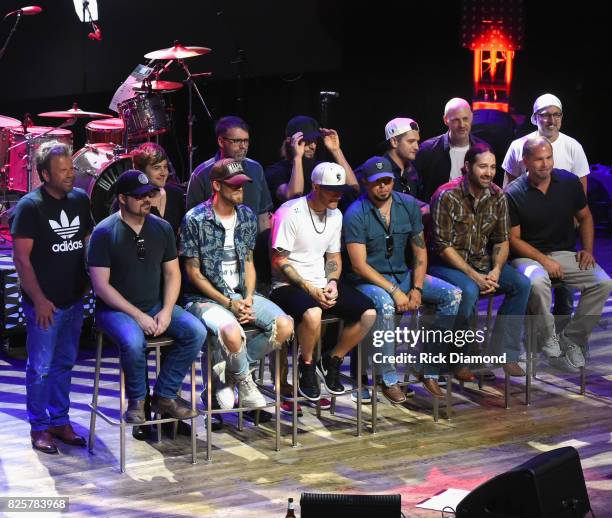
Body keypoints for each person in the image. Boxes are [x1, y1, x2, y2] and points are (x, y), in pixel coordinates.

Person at [88, 170, 205, 424]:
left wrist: (166, 310)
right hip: (115, 310)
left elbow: (173, 275)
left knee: (196, 331)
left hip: (155, 304)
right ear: (122, 198)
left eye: (149, 195)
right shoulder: (104, 232)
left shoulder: (161, 228)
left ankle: (164, 395)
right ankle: (137, 400)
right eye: (139, 196)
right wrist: (138, 315)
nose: (147, 200)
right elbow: (101, 287)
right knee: (133, 342)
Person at [344, 156, 463, 400]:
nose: (383, 187)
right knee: (386, 304)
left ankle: (428, 368)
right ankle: (387, 378)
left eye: (387, 181)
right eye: (377, 182)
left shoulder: (407, 205)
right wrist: (395, 291)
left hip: (403, 274)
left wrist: (416, 288)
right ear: (366, 183)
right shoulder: (356, 213)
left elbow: (420, 250)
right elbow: (359, 265)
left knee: (452, 295)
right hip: (368, 280)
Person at [180, 158, 294, 411]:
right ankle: (244, 380)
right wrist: (229, 303)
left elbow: (249, 261)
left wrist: (249, 297)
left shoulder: (247, 216)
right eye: (233, 185)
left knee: (284, 326)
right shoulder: (195, 219)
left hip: (242, 293)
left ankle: (228, 374)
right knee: (231, 332)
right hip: (205, 299)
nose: (240, 190)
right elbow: (194, 273)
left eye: (242, 185)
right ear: (217, 186)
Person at [10, 142, 93, 454]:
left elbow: (85, 242)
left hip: (73, 300)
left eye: (71, 168)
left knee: (64, 363)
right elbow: (22, 260)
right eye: (63, 170)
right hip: (44, 304)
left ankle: (59, 420)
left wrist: (88, 282)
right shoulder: (31, 207)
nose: (71, 174)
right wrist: (40, 299)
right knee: (41, 367)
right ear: (44, 174)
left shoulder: (81, 201)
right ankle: (39, 426)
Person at [270, 162, 376, 401]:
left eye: (339, 189)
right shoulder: (290, 212)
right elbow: (279, 260)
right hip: (287, 285)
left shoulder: (335, 214)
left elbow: (333, 256)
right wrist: (309, 288)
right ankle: (307, 366)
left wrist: (332, 282)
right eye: (331, 189)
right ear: (315, 186)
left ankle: (332, 359)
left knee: (368, 313)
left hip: (320, 282)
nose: (338, 194)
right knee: (313, 313)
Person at [505, 136, 612, 371]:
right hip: (528, 257)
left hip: (564, 253)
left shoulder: (569, 181)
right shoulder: (513, 192)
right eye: (539, 160)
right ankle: (547, 338)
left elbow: (585, 217)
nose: (545, 164)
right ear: (525, 162)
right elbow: (513, 239)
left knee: (602, 283)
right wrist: (543, 260)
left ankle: (572, 338)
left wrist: (588, 250)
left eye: (549, 158)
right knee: (537, 280)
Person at [429, 143, 531, 377]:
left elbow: (502, 240)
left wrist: (496, 269)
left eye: (493, 167)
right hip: (446, 265)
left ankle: (505, 352)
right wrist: (474, 276)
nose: (489, 172)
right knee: (469, 289)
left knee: (522, 284)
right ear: (467, 167)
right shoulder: (446, 195)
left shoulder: (497, 196)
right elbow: (442, 246)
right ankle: (460, 357)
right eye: (482, 166)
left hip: (481, 261)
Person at [502, 93, 590, 325]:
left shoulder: (573, 147)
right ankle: (536, 341)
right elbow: (506, 189)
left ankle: (562, 341)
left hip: (562, 235)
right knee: (535, 290)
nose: (551, 120)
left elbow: (581, 194)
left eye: (556, 115)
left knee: (565, 292)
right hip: (527, 234)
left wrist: (572, 225)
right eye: (545, 115)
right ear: (535, 118)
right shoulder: (518, 146)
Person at [186, 116, 273, 231]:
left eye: (246, 141)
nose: (243, 146)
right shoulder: (201, 174)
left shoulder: (256, 169)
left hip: (252, 247)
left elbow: (263, 216)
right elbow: (192, 222)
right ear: (221, 141)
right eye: (237, 141)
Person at [265, 115, 358, 210]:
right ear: (290, 142)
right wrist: (297, 157)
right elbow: (293, 197)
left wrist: (336, 151)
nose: (313, 146)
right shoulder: (276, 171)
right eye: (307, 141)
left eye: (314, 140)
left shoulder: (320, 168)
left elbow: (353, 190)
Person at [414, 98, 490, 203]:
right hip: (438, 215)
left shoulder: (484, 150)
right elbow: (412, 187)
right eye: (456, 120)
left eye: (465, 119)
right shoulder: (428, 150)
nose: (462, 125)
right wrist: (423, 208)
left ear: (472, 117)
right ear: (446, 120)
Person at [131, 142, 185, 235]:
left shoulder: (176, 194)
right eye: (156, 168)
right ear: (141, 170)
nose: (163, 173)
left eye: (165, 167)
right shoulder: (129, 200)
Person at [382, 117, 423, 202]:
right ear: (394, 142)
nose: (417, 147)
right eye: (411, 141)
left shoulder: (412, 171)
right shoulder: (378, 171)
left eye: (417, 142)